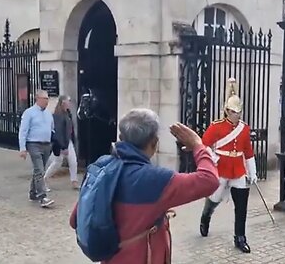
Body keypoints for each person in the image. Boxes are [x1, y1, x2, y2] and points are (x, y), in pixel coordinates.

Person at [69, 108, 219, 264]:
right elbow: (209, 180)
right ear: (154, 143)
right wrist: (197, 146)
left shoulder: (101, 167)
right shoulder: (156, 179)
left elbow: (75, 220)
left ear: (121, 137)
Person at [198, 78, 258, 253]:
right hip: (221, 168)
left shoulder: (244, 129)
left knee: (241, 207)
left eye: (239, 112)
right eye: (234, 112)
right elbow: (204, 145)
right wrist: (212, 156)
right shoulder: (216, 126)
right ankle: (205, 217)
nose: (237, 115)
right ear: (227, 111)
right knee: (214, 199)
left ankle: (240, 237)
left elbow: (248, 152)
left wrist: (252, 171)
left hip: (238, 170)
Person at [18, 89, 55, 207]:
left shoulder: (48, 114)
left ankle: (33, 192)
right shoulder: (29, 113)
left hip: (46, 144)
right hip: (33, 144)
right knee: (39, 170)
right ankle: (42, 197)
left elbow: (52, 128)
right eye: (45, 99)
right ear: (38, 99)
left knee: (39, 170)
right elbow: (23, 131)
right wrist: (22, 148)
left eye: (48, 99)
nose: (47, 101)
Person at [44, 95, 79, 190]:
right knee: (57, 162)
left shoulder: (67, 113)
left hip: (68, 141)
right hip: (61, 143)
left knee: (73, 161)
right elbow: (59, 132)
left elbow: (69, 129)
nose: (69, 103)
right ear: (63, 102)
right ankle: (44, 179)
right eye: (68, 101)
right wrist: (63, 147)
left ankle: (74, 181)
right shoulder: (58, 115)